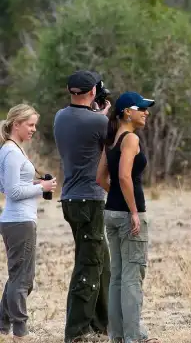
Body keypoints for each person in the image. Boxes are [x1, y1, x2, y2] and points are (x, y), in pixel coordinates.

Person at [53, 70, 112, 343]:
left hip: (71, 198)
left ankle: (102, 323)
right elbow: (111, 144)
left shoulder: (60, 116)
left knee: (101, 262)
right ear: (93, 93)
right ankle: (77, 331)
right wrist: (104, 115)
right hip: (90, 199)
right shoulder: (98, 122)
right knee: (88, 265)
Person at [95, 91, 159, 343]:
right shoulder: (130, 138)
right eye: (141, 108)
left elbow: (100, 178)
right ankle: (133, 336)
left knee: (118, 278)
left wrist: (119, 199)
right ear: (126, 113)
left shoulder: (111, 139)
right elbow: (123, 176)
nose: (146, 112)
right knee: (132, 277)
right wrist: (133, 210)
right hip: (128, 216)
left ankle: (118, 335)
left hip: (111, 212)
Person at [0, 104, 57, 341]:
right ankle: (20, 333)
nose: (34, 129)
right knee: (22, 280)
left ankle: (2, 326)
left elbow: (4, 186)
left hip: (18, 219)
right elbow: (12, 191)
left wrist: (35, 185)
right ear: (17, 124)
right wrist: (40, 187)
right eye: (30, 124)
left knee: (18, 277)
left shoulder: (11, 149)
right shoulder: (12, 152)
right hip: (19, 221)